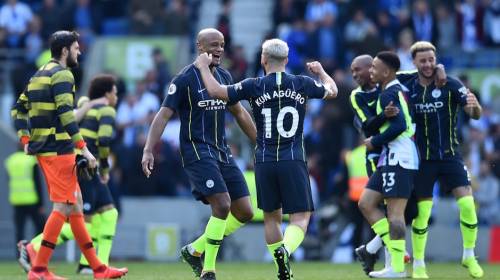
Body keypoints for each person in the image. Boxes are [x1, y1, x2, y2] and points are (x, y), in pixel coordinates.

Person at [194, 38, 338, 280]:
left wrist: (201, 68)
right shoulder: (302, 83)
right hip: (293, 158)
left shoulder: (253, 85)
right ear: (287, 60)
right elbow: (333, 91)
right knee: (301, 218)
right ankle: (286, 250)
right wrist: (321, 71)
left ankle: (283, 271)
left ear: (263, 59)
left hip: (264, 160)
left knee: (272, 218)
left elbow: (216, 92)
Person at [141, 28, 256, 280]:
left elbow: (239, 113)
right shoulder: (183, 79)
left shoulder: (224, 76)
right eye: (213, 44)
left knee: (246, 212)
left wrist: (259, 142)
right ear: (199, 46)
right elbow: (163, 115)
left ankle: (195, 250)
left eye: (222, 44)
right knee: (222, 204)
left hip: (222, 152)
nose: (219, 49)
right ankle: (209, 270)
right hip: (196, 150)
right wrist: (149, 149)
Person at [11, 30, 127, 280]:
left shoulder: (38, 74)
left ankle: (98, 269)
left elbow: (17, 111)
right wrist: (84, 148)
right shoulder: (63, 74)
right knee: (63, 206)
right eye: (76, 48)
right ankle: (39, 269)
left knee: (75, 209)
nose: (79, 52)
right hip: (59, 149)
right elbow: (66, 114)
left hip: (46, 149)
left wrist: (25, 139)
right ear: (64, 51)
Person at [400, 41, 483, 279]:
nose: (428, 65)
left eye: (432, 60)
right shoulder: (408, 84)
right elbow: (388, 73)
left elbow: (474, 115)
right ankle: (419, 265)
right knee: (423, 214)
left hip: (450, 156)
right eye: (423, 61)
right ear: (414, 62)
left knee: (467, 204)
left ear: (436, 60)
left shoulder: (451, 84)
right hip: (423, 160)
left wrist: (475, 106)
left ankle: (469, 255)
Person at [357, 51, 418, 278]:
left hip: (399, 156)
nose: (370, 71)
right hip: (391, 157)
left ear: (386, 71)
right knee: (366, 203)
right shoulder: (395, 90)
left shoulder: (389, 93)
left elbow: (400, 125)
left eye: (374, 67)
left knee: (395, 213)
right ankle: (377, 250)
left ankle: (397, 268)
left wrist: (375, 141)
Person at [5, 145, 46, 248]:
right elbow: (38, 183)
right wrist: (41, 203)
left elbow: (9, 180)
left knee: (19, 230)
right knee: (40, 227)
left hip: (17, 200)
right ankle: (35, 250)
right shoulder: (31, 161)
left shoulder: (10, 160)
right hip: (32, 200)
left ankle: (20, 255)